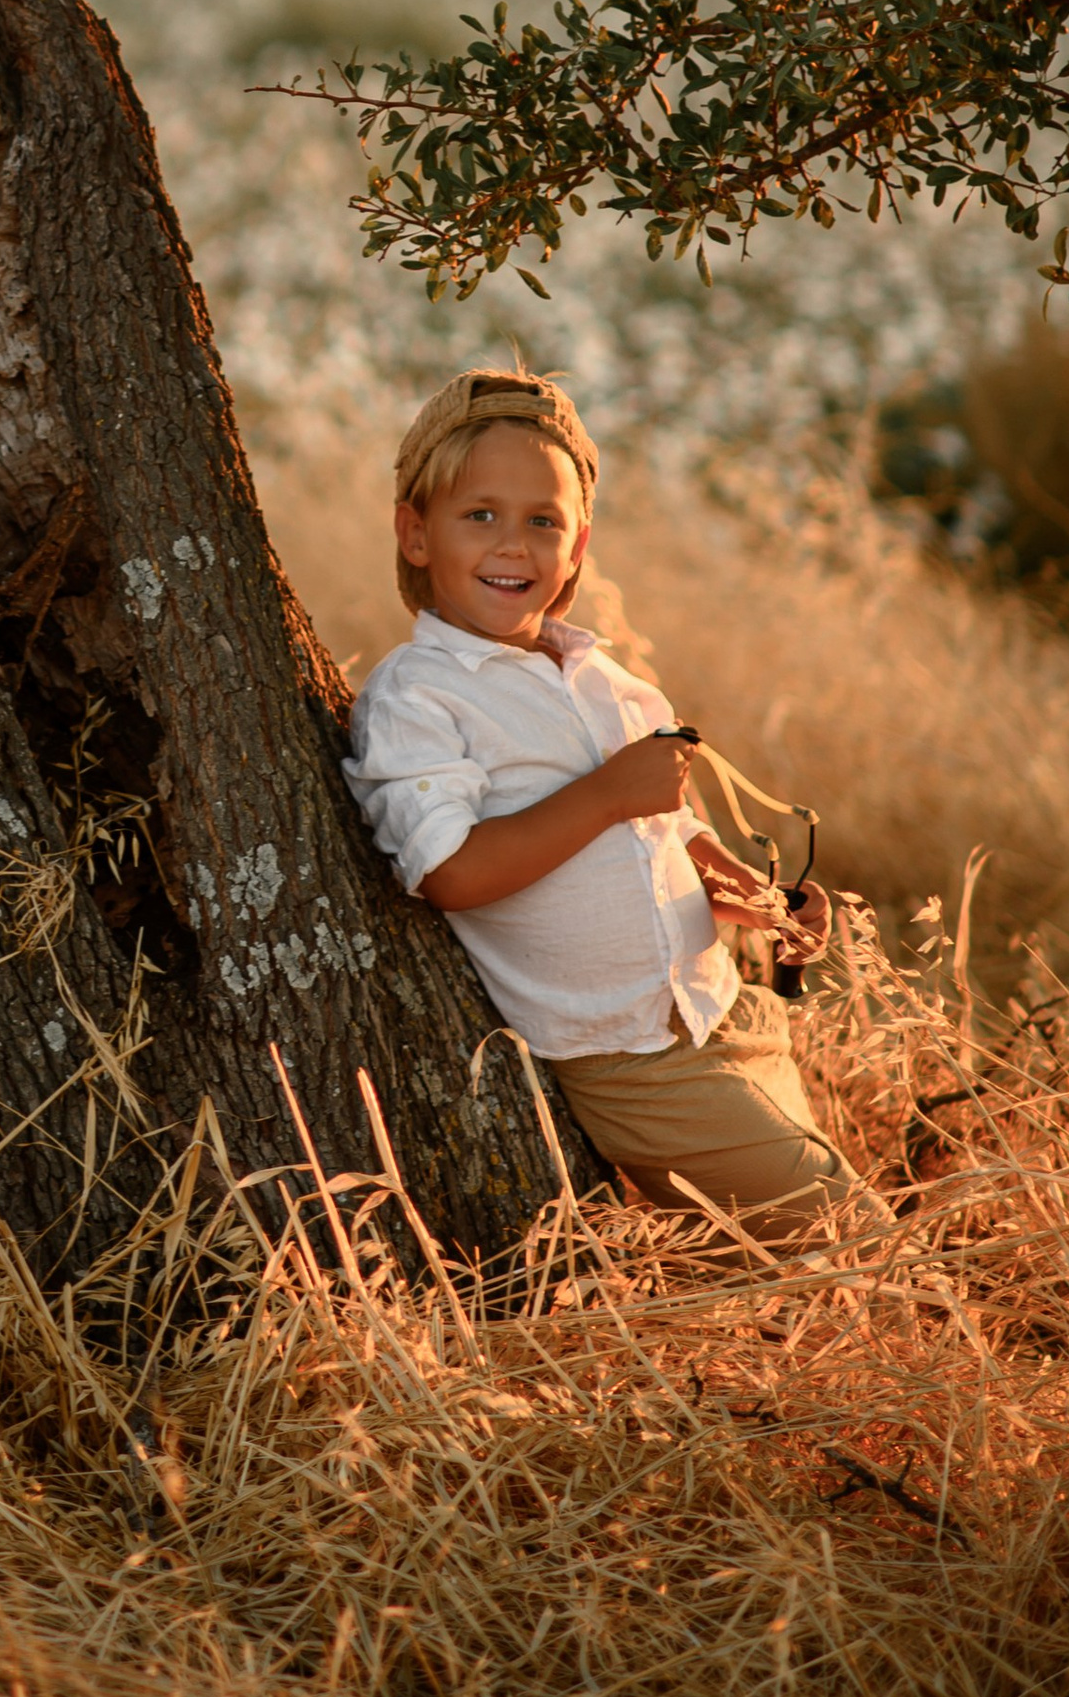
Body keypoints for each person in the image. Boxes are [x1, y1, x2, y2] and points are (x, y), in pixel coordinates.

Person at [342, 367, 861, 1236]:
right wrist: (609, 794)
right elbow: (452, 873)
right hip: (624, 1056)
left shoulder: (605, 677)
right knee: (845, 1234)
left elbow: (662, 831)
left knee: (783, 1264)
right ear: (415, 532)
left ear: (578, 547)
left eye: (543, 522)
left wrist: (752, 899)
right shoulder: (419, 697)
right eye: (481, 515)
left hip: (718, 1008)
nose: (514, 546)